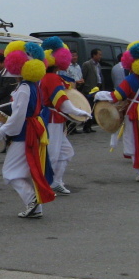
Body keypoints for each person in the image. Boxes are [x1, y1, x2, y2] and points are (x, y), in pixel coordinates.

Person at [0, 43, 57, 218]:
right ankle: (36, 207)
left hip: (25, 133)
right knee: (28, 170)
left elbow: (19, 116)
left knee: (10, 172)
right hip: (33, 129)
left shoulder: (23, 88)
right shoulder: (33, 85)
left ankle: (32, 200)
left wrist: (5, 130)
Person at [95, 43, 139, 181]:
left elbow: (115, 96)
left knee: (135, 142)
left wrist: (98, 95)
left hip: (134, 113)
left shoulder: (129, 80)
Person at [38, 38, 89, 194]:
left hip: (53, 119)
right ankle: (44, 185)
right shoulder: (52, 78)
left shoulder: (47, 77)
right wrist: (80, 112)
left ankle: (55, 182)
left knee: (66, 152)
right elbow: (62, 101)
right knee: (52, 155)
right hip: (51, 120)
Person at [80, 49, 103, 132]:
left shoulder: (98, 65)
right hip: (89, 90)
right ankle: (86, 126)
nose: (100, 56)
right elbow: (84, 77)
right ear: (94, 55)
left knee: (94, 107)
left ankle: (90, 125)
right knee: (89, 108)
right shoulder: (87, 64)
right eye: (99, 54)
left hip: (97, 88)